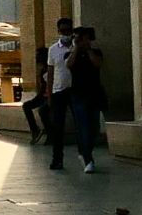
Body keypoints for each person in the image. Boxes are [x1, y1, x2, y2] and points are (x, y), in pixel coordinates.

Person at [68, 27, 106, 173]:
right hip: (78, 95)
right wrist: (76, 48)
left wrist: (88, 48)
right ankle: (88, 158)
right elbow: (68, 65)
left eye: (82, 38)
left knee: (94, 127)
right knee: (83, 126)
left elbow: (98, 64)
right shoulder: (72, 54)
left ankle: (85, 151)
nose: (79, 41)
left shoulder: (96, 52)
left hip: (94, 93)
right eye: (77, 38)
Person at [44, 17, 76, 169]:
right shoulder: (53, 50)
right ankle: (57, 158)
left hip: (76, 91)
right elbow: (50, 73)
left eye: (68, 31)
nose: (65, 34)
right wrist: (49, 94)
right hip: (58, 91)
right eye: (63, 31)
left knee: (81, 124)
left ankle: (86, 156)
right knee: (58, 127)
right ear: (58, 31)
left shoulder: (77, 47)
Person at [21, 45, 51, 144]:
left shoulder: (52, 68)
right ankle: (35, 130)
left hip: (51, 95)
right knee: (26, 106)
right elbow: (40, 86)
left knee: (43, 111)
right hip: (43, 95)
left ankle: (50, 134)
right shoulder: (43, 69)